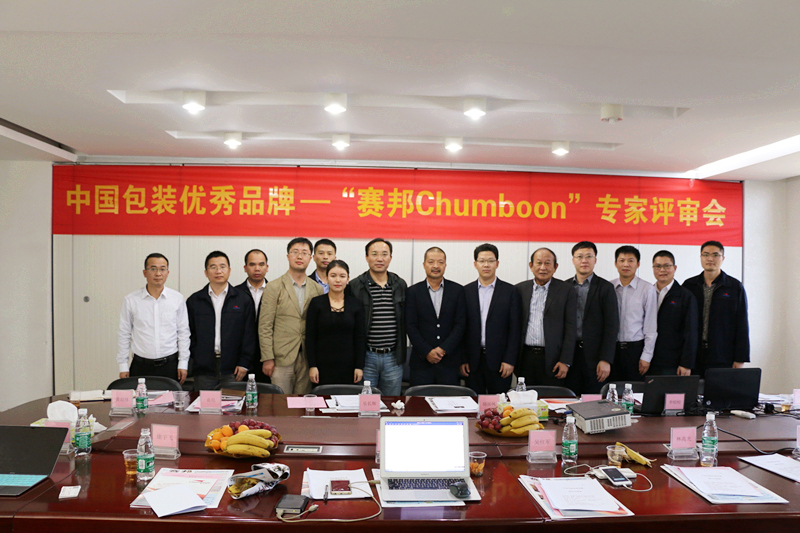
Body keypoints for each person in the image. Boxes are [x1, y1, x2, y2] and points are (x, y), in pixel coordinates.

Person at [259, 238, 324, 394]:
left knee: (302, 402)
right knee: (280, 402)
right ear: (288, 256)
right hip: (281, 357)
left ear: (311, 258)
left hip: (307, 357)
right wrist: (267, 358)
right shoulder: (274, 287)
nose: (299, 256)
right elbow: (265, 325)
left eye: (304, 253)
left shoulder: (317, 289)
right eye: (295, 252)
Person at [186, 251, 257, 391]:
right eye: (213, 267)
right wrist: (197, 358)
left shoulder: (243, 299)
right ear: (206, 272)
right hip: (204, 370)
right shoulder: (195, 301)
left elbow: (249, 334)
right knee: (205, 404)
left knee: (232, 404)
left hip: (233, 369)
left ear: (229, 270)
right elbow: (189, 334)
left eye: (222, 267)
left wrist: (244, 363)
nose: (218, 271)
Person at [117, 253, 189, 384]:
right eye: (153, 269)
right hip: (140, 365)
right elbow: (124, 333)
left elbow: (183, 332)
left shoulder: (177, 299)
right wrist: (123, 365)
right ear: (145, 273)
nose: (158, 273)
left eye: (162, 269)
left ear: (167, 272)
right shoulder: (131, 300)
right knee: (139, 398)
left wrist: (183, 363)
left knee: (170, 398)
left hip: (170, 365)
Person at [348, 238, 408, 396]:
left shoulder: (400, 285)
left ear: (390, 258)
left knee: (391, 403)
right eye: (374, 254)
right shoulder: (355, 286)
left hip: (393, 357)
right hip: (366, 357)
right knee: (366, 404)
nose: (379, 258)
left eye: (384, 254)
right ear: (367, 257)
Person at [461, 243, 522, 394]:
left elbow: (515, 329)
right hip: (472, 362)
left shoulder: (510, 291)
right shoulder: (465, 291)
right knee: (473, 402)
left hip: (500, 362)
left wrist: (509, 360)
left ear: (497, 263)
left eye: (490, 261)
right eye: (482, 261)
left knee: (500, 404)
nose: (486, 265)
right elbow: (461, 328)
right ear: (475, 264)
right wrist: (462, 359)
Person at [683, 241, 749, 375]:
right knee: (693, 389)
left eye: (715, 255)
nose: (710, 259)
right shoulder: (689, 286)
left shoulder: (734, 287)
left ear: (723, 258)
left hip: (723, 354)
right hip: (694, 355)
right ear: (700, 257)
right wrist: (683, 359)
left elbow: (742, 323)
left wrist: (740, 358)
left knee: (720, 388)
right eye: (706, 255)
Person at [515, 248, 577, 387]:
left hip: (554, 359)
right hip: (525, 358)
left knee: (552, 397)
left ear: (555, 267)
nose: (543, 267)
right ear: (531, 265)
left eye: (548, 263)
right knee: (525, 397)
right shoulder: (519, 290)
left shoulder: (566, 290)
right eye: (539, 263)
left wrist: (565, 360)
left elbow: (571, 328)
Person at [564, 241, 619, 395]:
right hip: (570, 356)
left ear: (595, 260)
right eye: (580, 256)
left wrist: (606, 359)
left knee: (593, 400)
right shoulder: (564, 287)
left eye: (589, 256)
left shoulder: (605, 288)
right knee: (570, 398)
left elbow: (612, 326)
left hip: (595, 358)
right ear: (573, 260)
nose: (584, 260)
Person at [405, 247, 466, 386]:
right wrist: (427, 351)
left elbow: (460, 324)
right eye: (431, 262)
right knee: (418, 399)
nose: (436, 266)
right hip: (421, 363)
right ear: (424, 264)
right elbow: (410, 325)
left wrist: (443, 349)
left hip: (449, 363)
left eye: (440, 262)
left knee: (449, 399)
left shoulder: (458, 290)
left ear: (445, 265)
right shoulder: (413, 292)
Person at [306, 260, 366, 386]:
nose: (337, 280)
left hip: (349, 366)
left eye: (342, 276)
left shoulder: (356, 304)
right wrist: (312, 366)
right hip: (321, 366)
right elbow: (310, 337)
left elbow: (360, 338)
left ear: (348, 279)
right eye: (333, 276)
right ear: (327, 278)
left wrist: (359, 366)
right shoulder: (316, 303)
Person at [609, 245, 658, 381]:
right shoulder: (608, 287)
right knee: (611, 389)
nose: (626, 264)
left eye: (630, 260)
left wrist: (646, 356)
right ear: (615, 263)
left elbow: (650, 327)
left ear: (638, 264)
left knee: (635, 390)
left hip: (635, 350)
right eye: (622, 260)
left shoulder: (647, 289)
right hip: (611, 350)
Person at [649, 250, 698, 376]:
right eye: (658, 266)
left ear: (674, 268)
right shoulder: (647, 292)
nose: (662, 270)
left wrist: (686, 363)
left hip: (673, 363)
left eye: (667, 266)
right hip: (648, 360)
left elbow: (691, 332)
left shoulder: (685, 296)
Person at [237, 249, 270, 383]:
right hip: (241, 358)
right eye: (252, 264)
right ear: (245, 268)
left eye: (261, 264)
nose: (257, 268)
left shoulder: (275, 291)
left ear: (267, 267)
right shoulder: (235, 293)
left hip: (268, 357)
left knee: (268, 393)